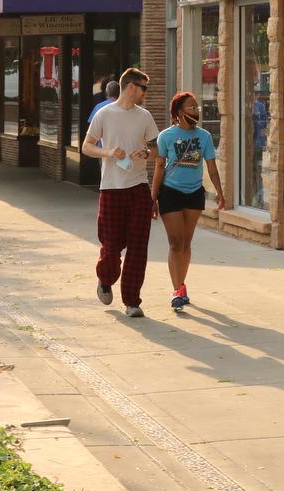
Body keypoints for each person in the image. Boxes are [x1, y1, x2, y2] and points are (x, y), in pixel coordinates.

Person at [81, 67, 158, 316]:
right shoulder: (104, 114)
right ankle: (105, 279)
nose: (145, 93)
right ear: (131, 87)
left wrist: (144, 153)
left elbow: (157, 150)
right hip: (112, 188)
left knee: (138, 245)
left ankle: (132, 301)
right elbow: (87, 146)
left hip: (138, 187)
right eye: (143, 88)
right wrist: (108, 152)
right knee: (111, 245)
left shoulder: (144, 116)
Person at [152, 91, 226, 313]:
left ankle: (181, 284)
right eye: (191, 108)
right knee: (175, 243)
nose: (196, 111)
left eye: (197, 108)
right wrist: (152, 198)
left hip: (194, 193)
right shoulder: (165, 136)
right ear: (179, 112)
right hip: (170, 192)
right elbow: (158, 167)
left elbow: (211, 168)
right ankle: (177, 291)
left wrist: (220, 193)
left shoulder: (204, 136)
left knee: (186, 243)